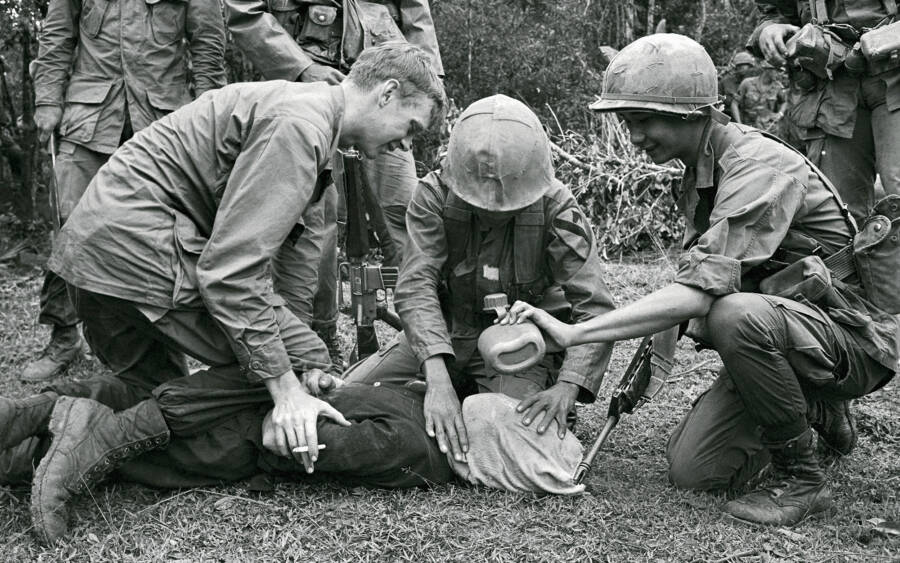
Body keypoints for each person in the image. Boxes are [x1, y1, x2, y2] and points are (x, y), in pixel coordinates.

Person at [501, 34, 897, 526]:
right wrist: (641, 377)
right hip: (790, 326)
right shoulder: (701, 170)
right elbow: (692, 282)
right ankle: (816, 406)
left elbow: (700, 293)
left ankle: (802, 480)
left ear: (689, 114)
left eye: (643, 122)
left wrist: (575, 333)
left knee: (732, 315)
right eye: (629, 124)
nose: (636, 138)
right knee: (696, 470)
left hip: (851, 338)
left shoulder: (757, 166)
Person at [39, 42, 445, 476]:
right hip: (134, 250)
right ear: (386, 93)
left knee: (148, 396)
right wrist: (286, 388)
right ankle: (88, 438)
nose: (404, 145)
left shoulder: (304, 112)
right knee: (285, 362)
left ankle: (21, 421)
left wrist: (297, 356)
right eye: (410, 126)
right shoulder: (300, 127)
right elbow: (231, 274)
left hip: (93, 254)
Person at [344, 95, 616, 462]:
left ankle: (477, 394)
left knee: (510, 437)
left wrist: (568, 387)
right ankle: (444, 388)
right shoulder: (434, 196)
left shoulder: (557, 207)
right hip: (442, 337)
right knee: (348, 399)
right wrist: (438, 381)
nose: (492, 210)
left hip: (520, 350)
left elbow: (593, 307)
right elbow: (417, 286)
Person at [225, 0, 444, 365]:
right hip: (311, 83)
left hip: (388, 86)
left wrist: (428, 89)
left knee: (410, 216)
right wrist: (303, 69)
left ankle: (429, 340)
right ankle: (314, 341)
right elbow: (244, 11)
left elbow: (416, 14)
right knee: (312, 226)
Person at [25, 0, 227, 382]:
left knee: (164, 242)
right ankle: (65, 336)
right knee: (71, 233)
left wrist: (208, 113)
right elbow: (57, 36)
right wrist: (48, 99)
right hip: (88, 125)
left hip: (162, 125)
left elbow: (207, 46)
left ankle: (161, 351)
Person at [749, 0, 900, 224]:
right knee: (841, 213)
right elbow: (774, 12)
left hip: (895, 74)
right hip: (832, 87)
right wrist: (770, 29)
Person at [735, 60, 788, 130]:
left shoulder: (778, 87)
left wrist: (780, 113)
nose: (779, 74)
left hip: (768, 129)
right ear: (768, 70)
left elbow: (785, 101)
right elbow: (734, 104)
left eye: (780, 71)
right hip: (747, 127)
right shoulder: (747, 83)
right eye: (777, 71)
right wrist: (739, 124)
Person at [719, 51, 757, 122]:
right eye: (739, 65)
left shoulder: (754, 82)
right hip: (729, 120)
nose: (742, 68)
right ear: (736, 67)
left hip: (750, 120)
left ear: (750, 66)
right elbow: (717, 102)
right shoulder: (725, 81)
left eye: (745, 65)